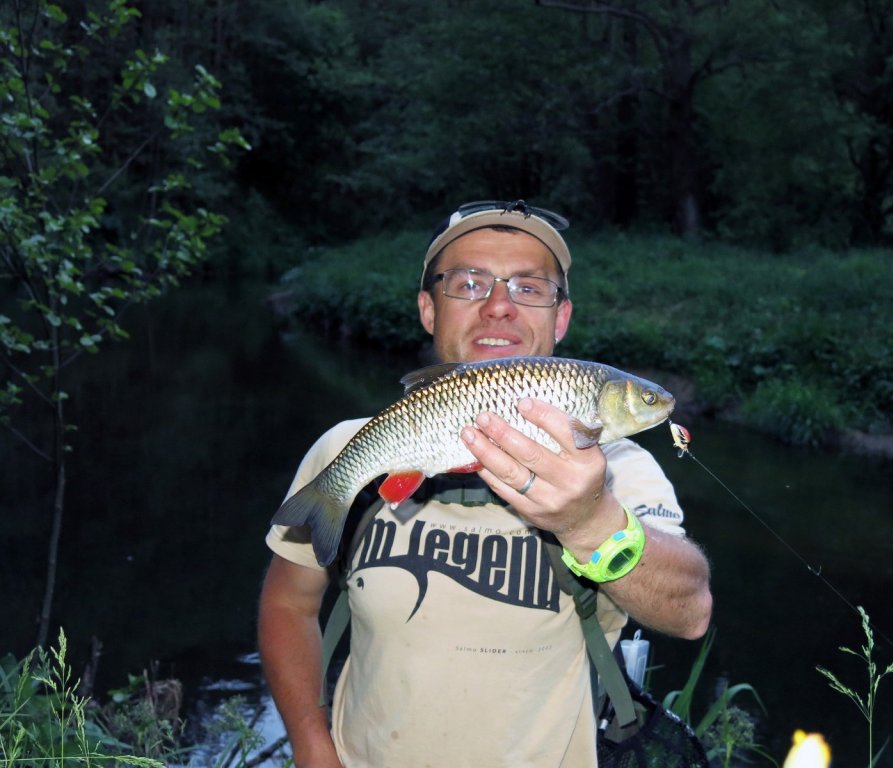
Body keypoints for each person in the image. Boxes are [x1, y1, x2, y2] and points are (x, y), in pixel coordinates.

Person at [258, 200, 713, 768]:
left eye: (528, 287)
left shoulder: (619, 468)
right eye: (470, 283)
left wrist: (590, 522)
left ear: (561, 317)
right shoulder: (350, 448)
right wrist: (310, 747)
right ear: (428, 309)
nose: (499, 306)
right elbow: (286, 605)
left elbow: (690, 610)